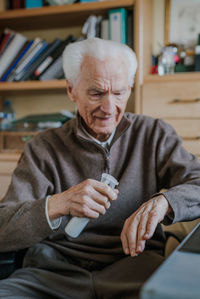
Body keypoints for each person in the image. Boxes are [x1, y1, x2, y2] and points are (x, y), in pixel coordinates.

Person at [0, 38, 200, 299]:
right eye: (96, 93)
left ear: (129, 89)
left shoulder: (154, 134)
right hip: (52, 273)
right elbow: (3, 229)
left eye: (118, 93)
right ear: (72, 90)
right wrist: (57, 204)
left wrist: (165, 202)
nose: (108, 108)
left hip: (135, 268)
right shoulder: (42, 148)